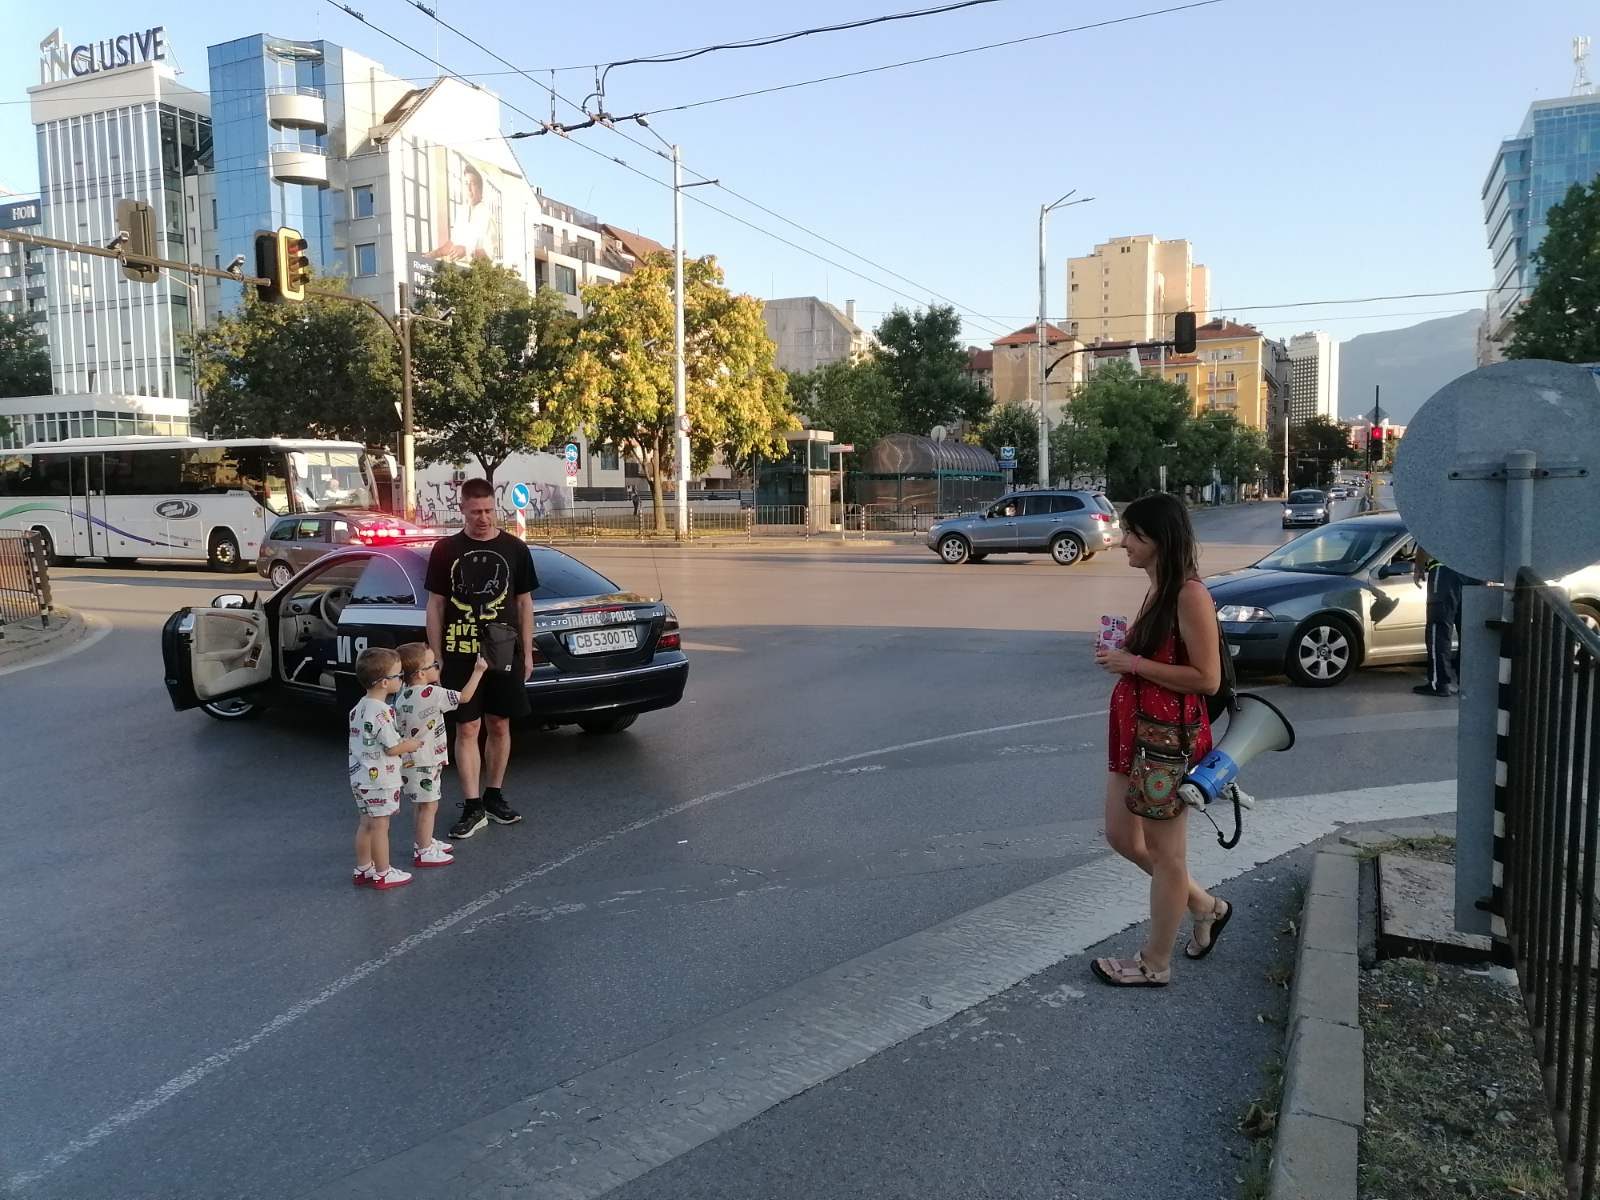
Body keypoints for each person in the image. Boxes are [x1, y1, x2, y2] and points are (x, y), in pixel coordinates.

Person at [1091, 493, 1231, 987]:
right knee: (1121, 836)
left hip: (1166, 742)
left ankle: (1155, 963)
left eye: (1133, 533)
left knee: (1167, 854)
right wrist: (1123, 654)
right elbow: (1159, 656)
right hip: (1136, 734)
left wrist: (1133, 663)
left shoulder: (1190, 595)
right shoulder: (1158, 589)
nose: (1122, 542)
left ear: (1159, 539)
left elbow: (1207, 679)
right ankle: (1204, 905)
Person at [425, 478, 536, 840]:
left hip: (503, 649)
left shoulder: (515, 548)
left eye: (488, 510)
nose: (483, 518)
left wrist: (527, 651)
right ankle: (472, 806)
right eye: (475, 512)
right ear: (462, 510)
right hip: (459, 650)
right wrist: (436, 655)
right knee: (467, 727)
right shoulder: (445, 550)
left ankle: (494, 796)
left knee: (500, 724)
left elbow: (524, 603)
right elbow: (435, 605)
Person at [395, 644, 490, 867]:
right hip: (426, 761)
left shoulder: (403, 695)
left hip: (410, 761)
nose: (438, 667)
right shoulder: (432, 694)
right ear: (421, 673)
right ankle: (424, 850)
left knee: (421, 804)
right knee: (429, 806)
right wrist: (478, 671)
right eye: (434, 664)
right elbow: (465, 697)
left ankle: (424, 841)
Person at [349, 647, 425, 891]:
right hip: (380, 779)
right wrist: (411, 744)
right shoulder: (381, 710)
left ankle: (363, 867)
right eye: (398, 675)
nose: (401, 679)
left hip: (360, 777)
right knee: (381, 826)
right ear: (384, 682)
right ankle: (383, 872)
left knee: (366, 824)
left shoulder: (359, 706)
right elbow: (392, 747)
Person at [1413, 544, 1462, 697]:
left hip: (1444, 573)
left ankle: (1439, 683)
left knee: (1438, 630)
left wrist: (1418, 567)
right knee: (1471, 630)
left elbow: (1425, 538)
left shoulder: (1442, 524)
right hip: (1474, 574)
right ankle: (1470, 683)